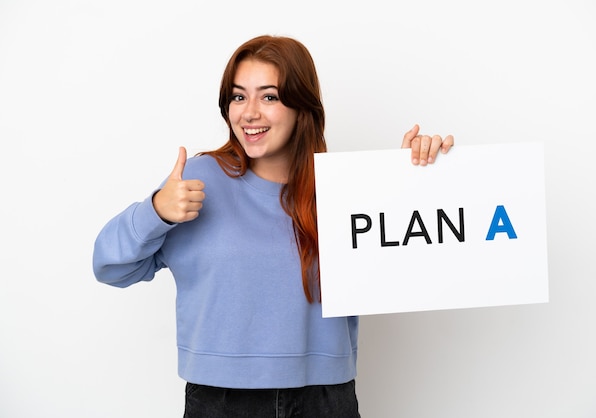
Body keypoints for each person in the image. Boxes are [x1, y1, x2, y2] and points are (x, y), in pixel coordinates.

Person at [92, 34, 453, 418]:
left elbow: (402, 273)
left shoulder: (344, 187)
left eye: (269, 97)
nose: (249, 113)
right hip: (222, 401)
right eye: (238, 96)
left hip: (325, 399)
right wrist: (156, 211)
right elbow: (110, 267)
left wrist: (411, 183)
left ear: (302, 106)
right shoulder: (199, 181)